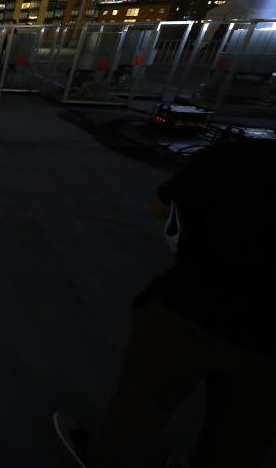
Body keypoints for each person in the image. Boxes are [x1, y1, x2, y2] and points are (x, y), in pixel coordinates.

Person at [54, 139, 276, 468]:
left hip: (192, 308)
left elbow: (161, 207)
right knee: (242, 435)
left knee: (141, 405)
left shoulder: (236, 155)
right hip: (269, 339)